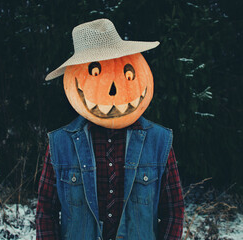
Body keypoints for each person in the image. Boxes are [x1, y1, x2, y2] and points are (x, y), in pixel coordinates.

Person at [36, 18, 184, 240]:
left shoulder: (158, 142)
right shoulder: (60, 145)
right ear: (73, 75)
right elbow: (45, 212)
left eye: (125, 72)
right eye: (95, 72)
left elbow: (174, 210)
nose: (112, 88)